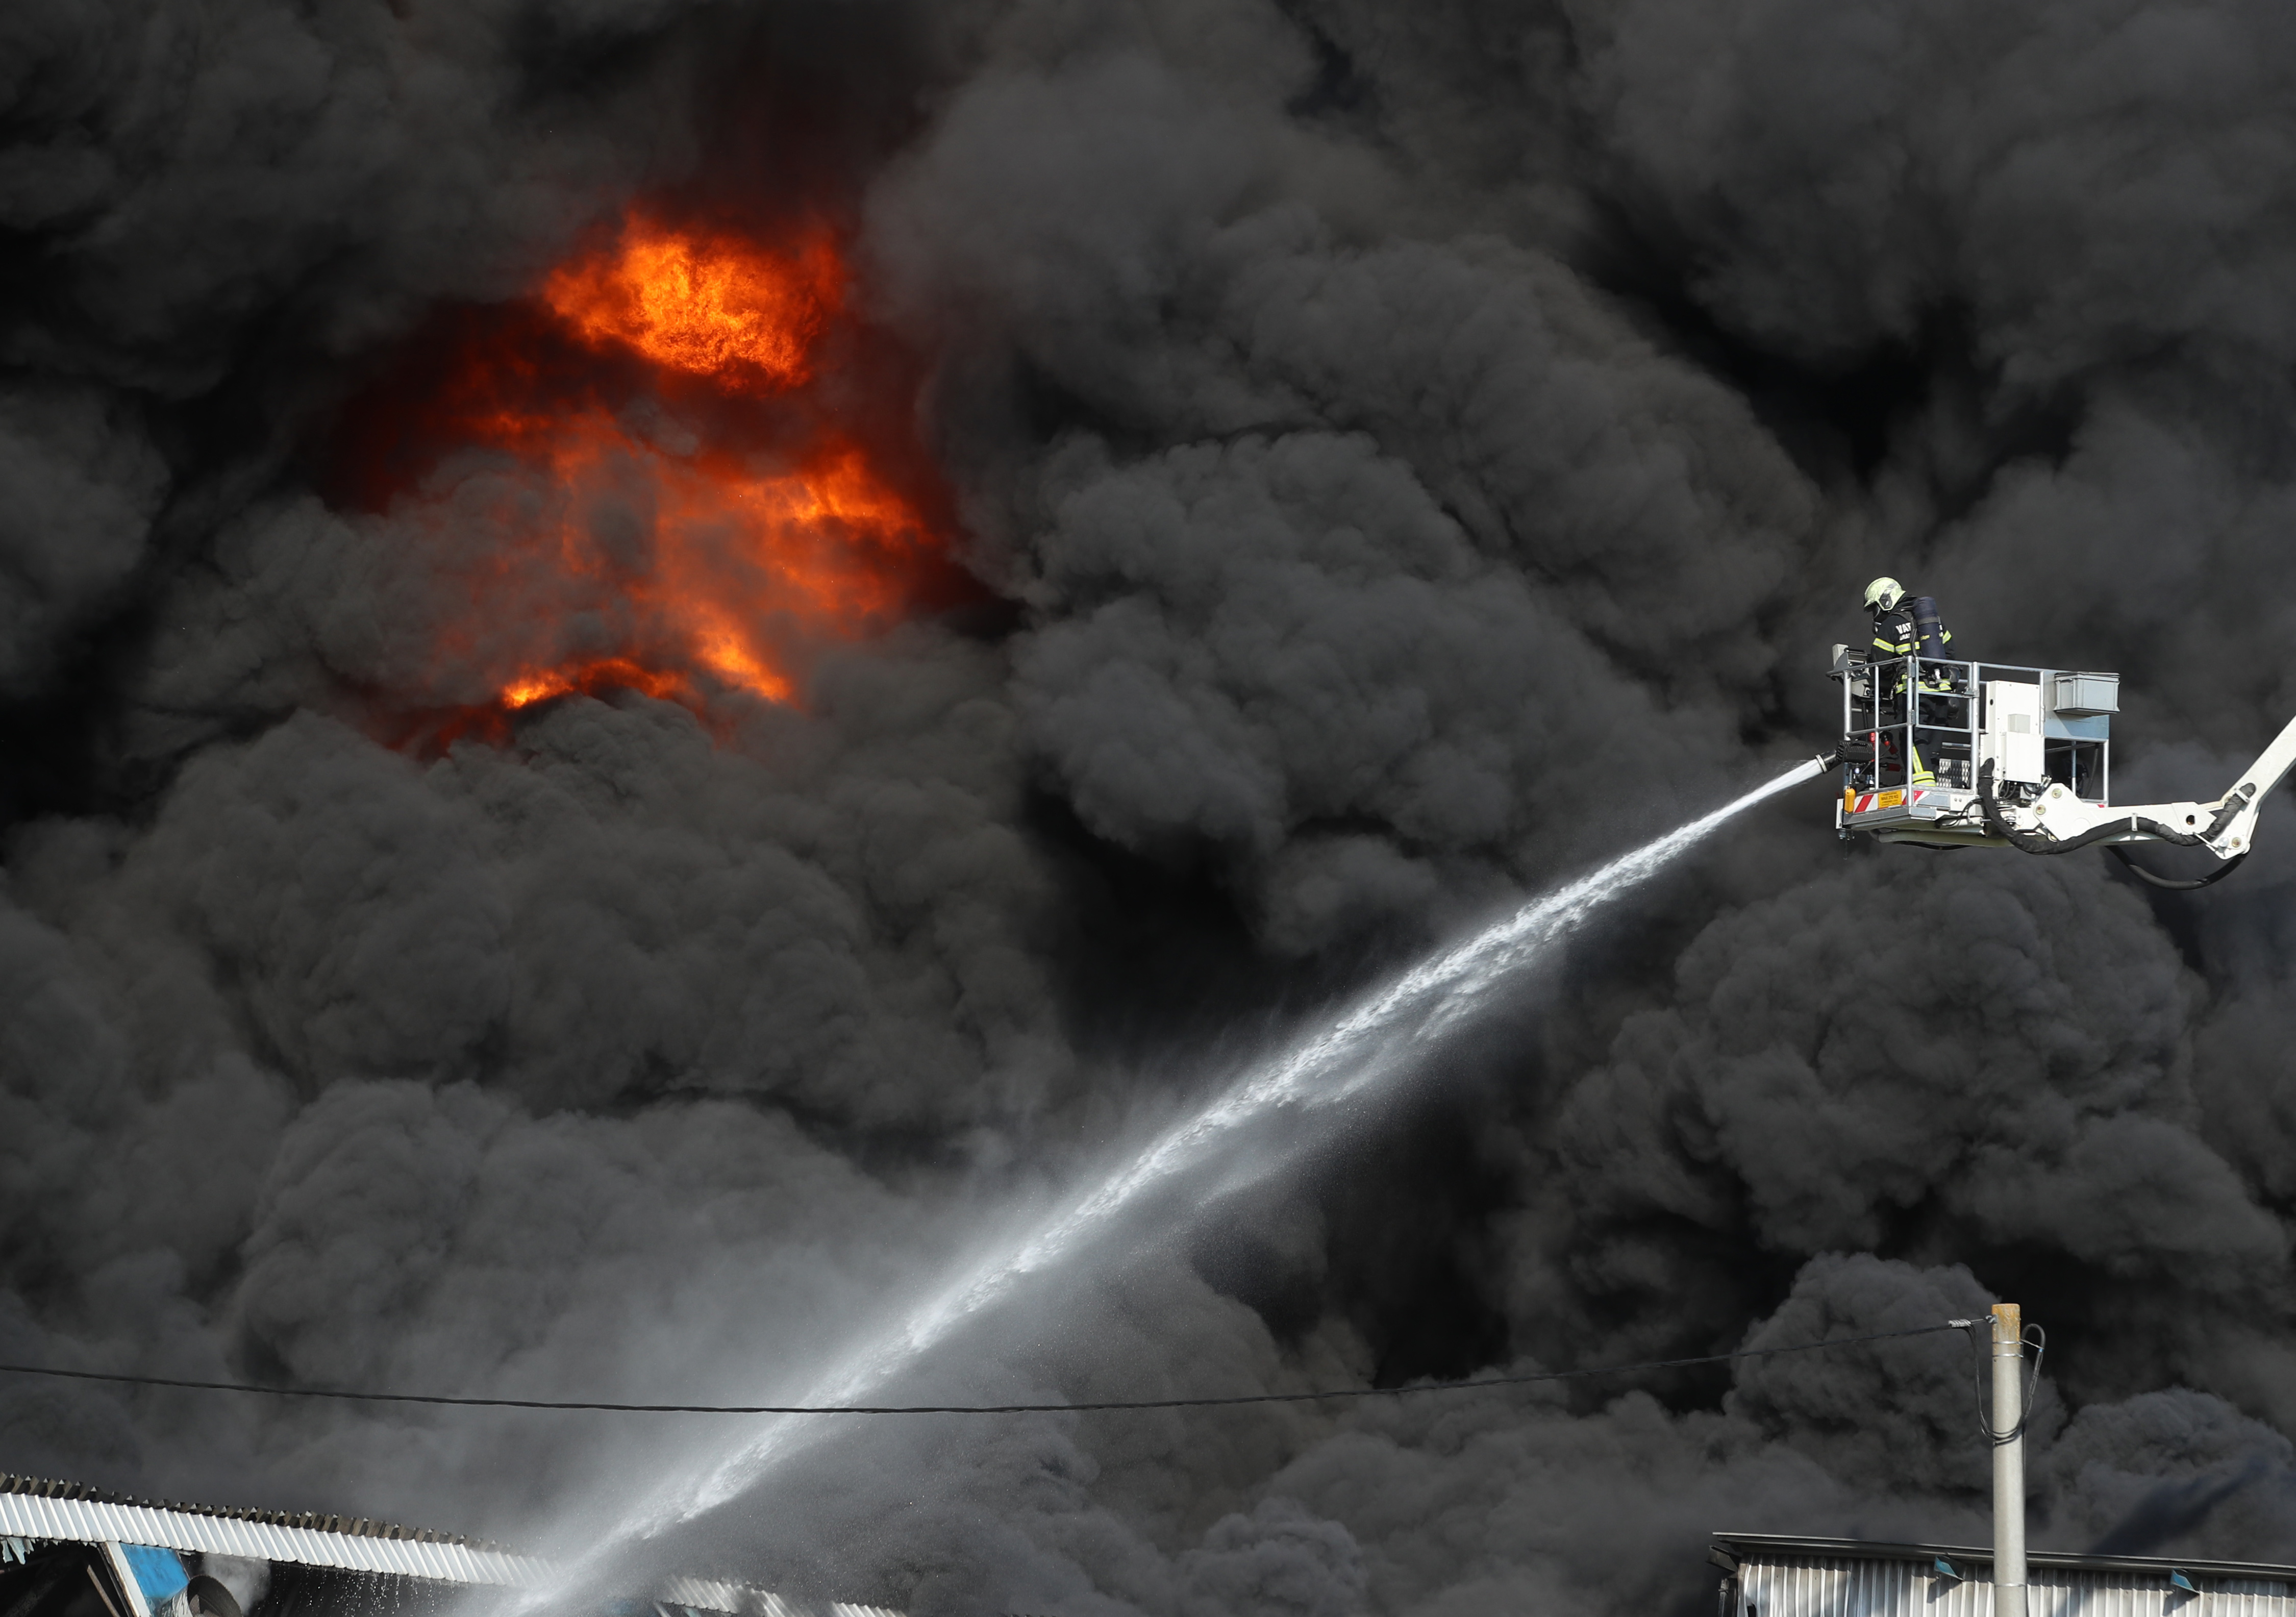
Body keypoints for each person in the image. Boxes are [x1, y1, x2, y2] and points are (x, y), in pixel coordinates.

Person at [1861, 577, 1960, 786]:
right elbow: (1950, 653)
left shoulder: (1892, 623)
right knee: (1931, 744)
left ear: (1885, 601)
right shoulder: (1934, 622)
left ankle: (1923, 789)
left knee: (1913, 740)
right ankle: (1931, 783)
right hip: (1942, 695)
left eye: (1874, 609)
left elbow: (1881, 664)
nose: (1875, 615)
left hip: (1913, 694)